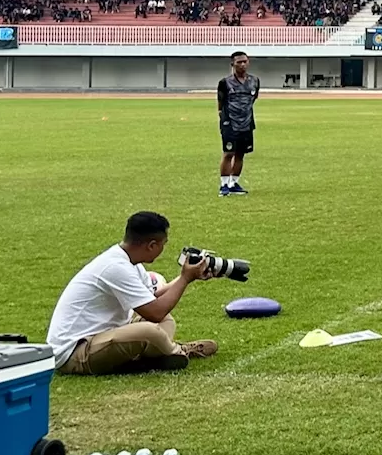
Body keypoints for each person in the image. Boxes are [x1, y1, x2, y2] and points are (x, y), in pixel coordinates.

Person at [46, 211, 220, 375]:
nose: (163, 249)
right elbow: (155, 312)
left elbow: (154, 297)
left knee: (165, 321)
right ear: (152, 245)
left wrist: (188, 276)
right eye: (163, 244)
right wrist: (185, 279)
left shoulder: (128, 261)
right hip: (75, 352)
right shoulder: (115, 267)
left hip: (102, 336)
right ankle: (178, 351)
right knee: (148, 330)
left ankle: (156, 355)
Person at [216, 51, 258, 196]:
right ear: (232, 64)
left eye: (245, 61)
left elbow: (253, 99)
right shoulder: (225, 82)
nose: (242, 64)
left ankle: (233, 183)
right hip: (230, 123)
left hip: (247, 122)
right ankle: (224, 185)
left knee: (241, 154)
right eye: (239, 62)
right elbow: (220, 102)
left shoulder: (254, 81)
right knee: (229, 153)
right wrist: (224, 118)